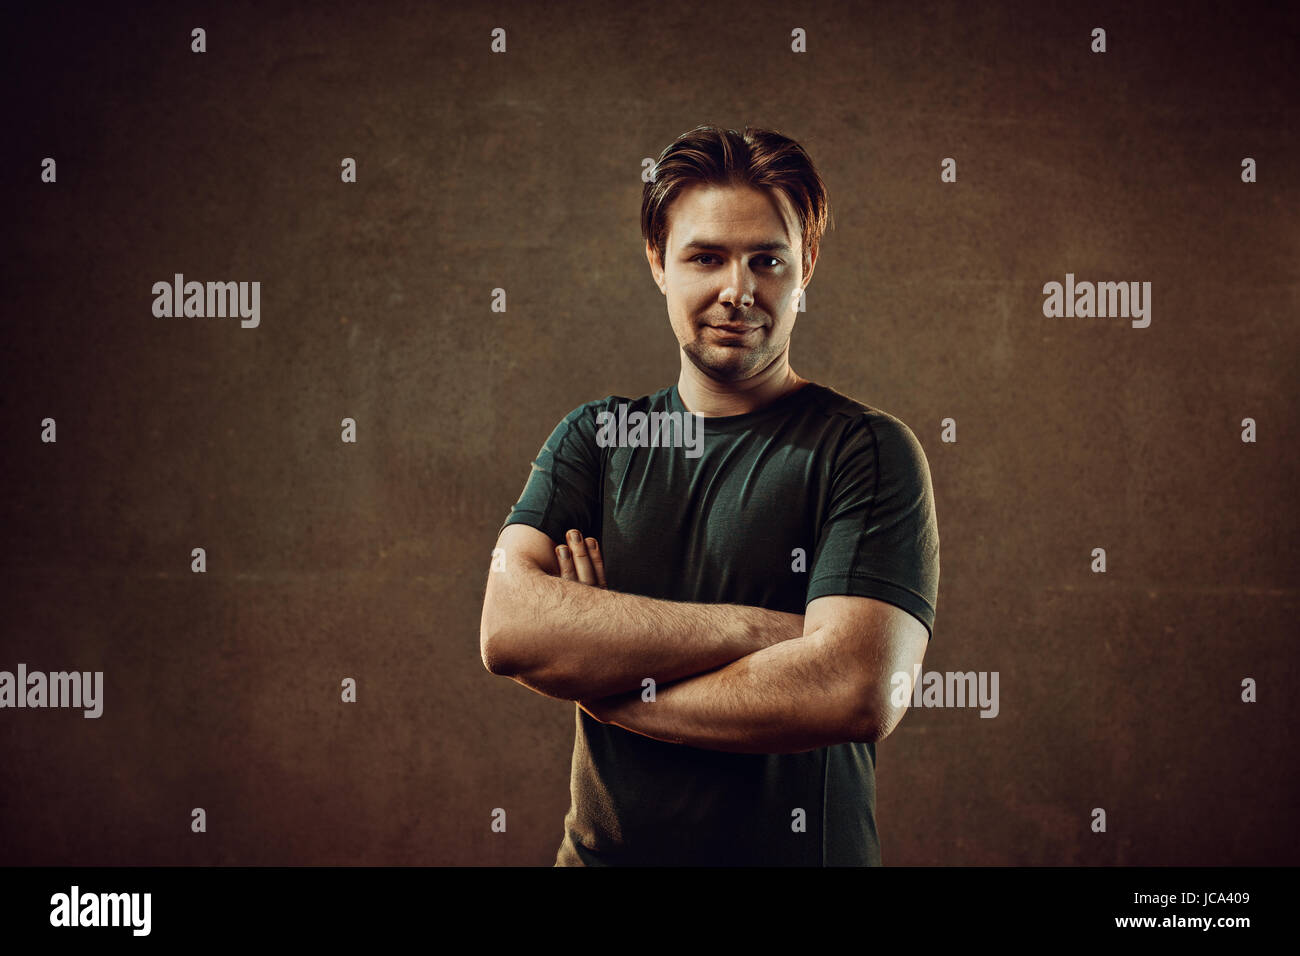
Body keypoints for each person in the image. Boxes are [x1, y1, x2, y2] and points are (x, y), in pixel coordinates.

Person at [479, 125, 940, 866]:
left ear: (806, 266)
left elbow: (858, 687)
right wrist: (768, 633)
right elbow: (509, 626)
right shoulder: (595, 439)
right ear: (659, 264)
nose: (738, 288)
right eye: (706, 257)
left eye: (767, 259)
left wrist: (613, 683)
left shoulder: (867, 451)